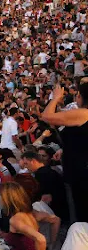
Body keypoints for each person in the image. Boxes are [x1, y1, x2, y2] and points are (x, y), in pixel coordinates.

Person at [41, 84, 88, 222]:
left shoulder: (83, 113)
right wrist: (64, 149)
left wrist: (55, 98)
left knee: (81, 215)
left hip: (79, 173)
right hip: (79, 167)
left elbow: (46, 116)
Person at [21, 152, 69, 222]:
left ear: (33, 161)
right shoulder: (50, 171)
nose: (25, 166)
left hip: (54, 215)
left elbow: (46, 197)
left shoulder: (41, 175)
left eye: (26, 163)